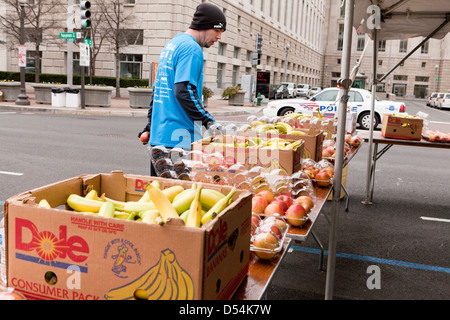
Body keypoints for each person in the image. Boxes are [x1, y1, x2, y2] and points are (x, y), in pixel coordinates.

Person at [138, 2, 226, 176]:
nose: (219, 37)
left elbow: (158, 91)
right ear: (204, 26)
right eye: (217, 31)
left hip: (159, 140)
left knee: (161, 197)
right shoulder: (192, 49)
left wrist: (150, 125)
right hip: (180, 141)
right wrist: (208, 120)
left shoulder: (172, 45)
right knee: (179, 199)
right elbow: (184, 90)